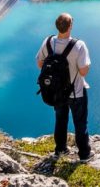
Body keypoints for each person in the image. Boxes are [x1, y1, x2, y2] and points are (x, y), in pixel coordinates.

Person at [36, 13, 93, 160]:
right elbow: (83, 71)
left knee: (60, 120)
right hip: (76, 93)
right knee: (80, 123)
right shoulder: (79, 45)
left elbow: (40, 64)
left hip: (57, 92)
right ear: (70, 26)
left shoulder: (48, 42)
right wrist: (88, 64)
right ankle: (84, 154)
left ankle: (60, 150)